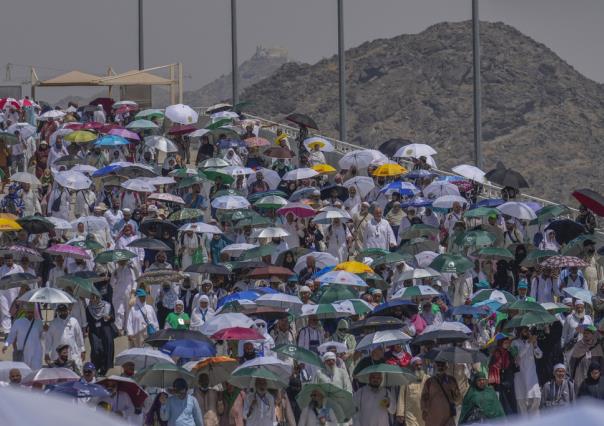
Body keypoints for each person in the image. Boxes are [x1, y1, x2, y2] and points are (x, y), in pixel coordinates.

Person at [44, 303, 85, 371]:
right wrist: (46, 353)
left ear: (67, 310)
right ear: (58, 311)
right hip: (57, 355)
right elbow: (48, 339)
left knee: (75, 374)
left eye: (64, 310)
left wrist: (83, 350)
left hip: (72, 353)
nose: (62, 312)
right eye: (60, 310)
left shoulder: (74, 321)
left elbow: (79, 337)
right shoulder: (53, 323)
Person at [2, 304, 43, 370]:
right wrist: (6, 345)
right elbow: (12, 335)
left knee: (36, 370)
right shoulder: (18, 322)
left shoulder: (39, 322)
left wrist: (46, 330)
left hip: (36, 351)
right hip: (23, 352)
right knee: (24, 371)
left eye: (31, 312)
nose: (30, 314)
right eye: (28, 312)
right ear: (25, 312)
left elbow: (42, 336)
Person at [513, 326, 543, 416]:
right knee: (522, 404)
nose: (528, 333)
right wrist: (528, 343)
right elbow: (517, 356)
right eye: (525, 331)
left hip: (532, 376)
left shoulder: (531, 342)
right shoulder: (514, 343)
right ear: (520, 332)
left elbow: (539, 355)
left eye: (528, 331)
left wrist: (535, 345)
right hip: (520, 376)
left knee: (536, 399)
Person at [420, 361, 461, 426]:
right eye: (438, 365)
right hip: (433, 417)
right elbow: (424, 398)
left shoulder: (451, 380)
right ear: (435, 367)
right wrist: (425, 411)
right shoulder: (429, 382)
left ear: (446, 367)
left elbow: (458, 399)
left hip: (448, 417)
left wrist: (454, 389)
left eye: (442, 365)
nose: (440, 367)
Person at [85, 293, 115, 376]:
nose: (94, 299)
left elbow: (113, 318)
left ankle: (104, 369)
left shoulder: (107, 306)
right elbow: (88, 321)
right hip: (94, 331)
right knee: (96, 349)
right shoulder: (89, 308)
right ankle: (95, 367)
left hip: (105, 329)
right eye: (93, 297)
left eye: (96, 297)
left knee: (107, 348)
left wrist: (109, 318)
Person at [488, 334, 518, 414]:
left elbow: (514, 368)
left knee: (512, 402)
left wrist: (515, 361)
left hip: (509, 381)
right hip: (500, 382)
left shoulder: (509, 353)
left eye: (508, 343)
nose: (507, 344)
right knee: (504, 404)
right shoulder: (497, 354)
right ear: (501, 343)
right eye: (505, 342)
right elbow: (493, 368)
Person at [396, 356, 428, 426]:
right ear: (412, 366)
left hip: (424, 412)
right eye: (416, 365)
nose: (419, 367)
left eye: (420, 365)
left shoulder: (428, 379)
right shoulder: (406, 379)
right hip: (410, 413)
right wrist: (400, 413)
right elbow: (401, 397)